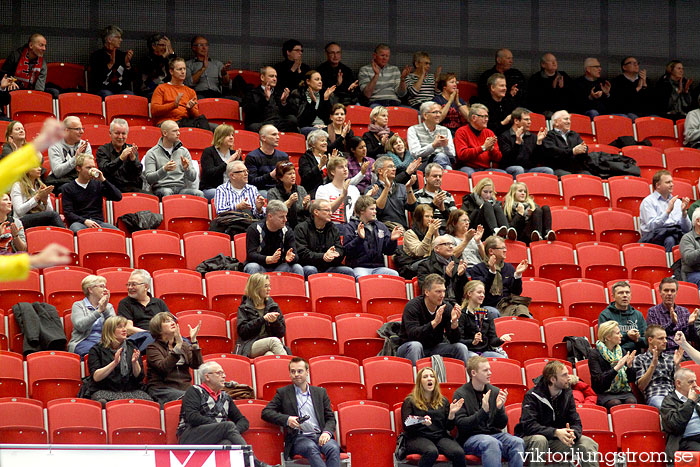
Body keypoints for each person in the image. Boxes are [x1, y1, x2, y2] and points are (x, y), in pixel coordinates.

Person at [178, 361, 275, 467]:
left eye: (223, 373)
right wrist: (221, 428)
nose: (224, 376)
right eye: (219, 373)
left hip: (215, 436)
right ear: (207, 377)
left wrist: (230, 432)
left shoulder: (225, 397)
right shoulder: (194, 391)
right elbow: (193, 417)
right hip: (190, 435)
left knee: (227, 444)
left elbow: (243, 420)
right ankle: (255, 464)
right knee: (228, 426)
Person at [514, 360, 598, 467]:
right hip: (531, 439)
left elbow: (575, 421)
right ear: (553, 379)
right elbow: (528, 426)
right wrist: (555, 432)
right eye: (564, 375)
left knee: (587, 443)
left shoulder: (567, 393)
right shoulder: (532, 396)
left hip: (556, 440)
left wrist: (573, 434)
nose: (569, 377)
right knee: (540, 440)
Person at [261, 357, 341, 467]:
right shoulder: (283, 393)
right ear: (289, 374)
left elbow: (330, 418)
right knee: (310, 448)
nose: (296, 374)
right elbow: (266, 412)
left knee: (333, 448)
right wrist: (287, 419)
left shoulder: (320, 393)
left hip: (320, 435)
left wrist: (326, 433)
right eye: (293, 371)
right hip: (299, 438)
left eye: (300, 371)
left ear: (307, 372)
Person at [453, 356, 525, 467]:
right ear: (473, 373)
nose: (490, 373)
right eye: (485, 370)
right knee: (491, 443)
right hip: (470, 438)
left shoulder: (494, 391)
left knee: (517, 442)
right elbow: (461, 424)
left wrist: (499, 409)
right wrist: (483, 412)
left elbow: (501, 424)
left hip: (493, 435)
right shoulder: (461, 394)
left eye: (490, 369)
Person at [400, 367, 466, 467]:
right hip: (416, 437)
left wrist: (451, 414)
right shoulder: (410, 401)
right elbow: (406, 423)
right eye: (425, 377)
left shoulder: (443, 401)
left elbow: (449, 427)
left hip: (439, 436)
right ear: (420, 382)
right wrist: (421, 420)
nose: (429, 379)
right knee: (431, 452)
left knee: (458, 453)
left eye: (432, 376)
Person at [397, 273, 469, 365]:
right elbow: (413, 335)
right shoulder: (413, 306)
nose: (442, 295)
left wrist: (454, 324)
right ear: (427, 292)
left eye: (444, 291)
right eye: (438, 292)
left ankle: (463, 378)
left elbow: (454, 340)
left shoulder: (446, 307)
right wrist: (434, 323)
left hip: (434, 347)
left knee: (460, 347)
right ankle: (416, 378)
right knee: (416, 346)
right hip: (409, 347)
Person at [87, 316, 152, 404]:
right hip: (104, 390)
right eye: (119, 327)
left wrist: (134, 363)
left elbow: (139, 377)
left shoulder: (132, 347)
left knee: (149, 402)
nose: (124, 329)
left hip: (130, 390)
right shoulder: (96, 350)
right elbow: (96, 377)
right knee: (101, 402)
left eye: (124, 326)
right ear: (110, 330)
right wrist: (114, 363)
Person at [145, 311, 202, 405]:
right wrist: (178, 347)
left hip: (185, 389)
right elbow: (163, 367)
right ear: (158, 328)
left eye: (173, 320)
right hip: (162, 390)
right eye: (167, 321)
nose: (172, 323)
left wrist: (194, 342)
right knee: (192, 397)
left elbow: (197, 365)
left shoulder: (183, 345)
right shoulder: (153, 348)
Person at [469, 235, 529, 318]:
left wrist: (517, 275)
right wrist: (492, 272)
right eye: (502, 248)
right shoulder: (477, 269)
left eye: (505, 248)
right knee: (494, 313)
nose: (505, 250)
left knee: (526, 315)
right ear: (491, 251)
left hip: (507, 305)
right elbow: (481, 292)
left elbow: (516, 292)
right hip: (488, 305)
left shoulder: (509, 268)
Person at [341, 195, 402, 277]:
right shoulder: (350, 227)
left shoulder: (381, 226)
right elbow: (347, 251)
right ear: (362, 210)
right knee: (363, 278)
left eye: (375, 209)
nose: (375, 212)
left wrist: (392, 240)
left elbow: (388, 251)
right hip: (359, 267)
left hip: (379, 267)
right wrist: (359, 239)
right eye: (372, 209)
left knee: (394, 275)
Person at [294, 199, 355, 279]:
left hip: (329, 266)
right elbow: (302, 254)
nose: (331, 213)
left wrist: (335, 255)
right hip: (309, 265)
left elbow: (340, 249)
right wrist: (323, 256)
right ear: (316, 212)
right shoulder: (301, 228)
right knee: (311, 270)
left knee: (348, 271)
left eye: (331, 210)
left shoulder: (333, 228)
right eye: (327, 210)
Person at [143, 120, 204, 198]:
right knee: (167, 192)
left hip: (181, 188)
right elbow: (149, 179)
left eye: (178, 130)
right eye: (175, 131)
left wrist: (187, 169)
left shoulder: (183, 151)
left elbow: (193, 178)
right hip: (162, 188)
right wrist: (164, 169)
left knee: (199, 194)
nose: (178, 133)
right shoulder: (152, 153)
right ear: (165, 133)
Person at [62, 154, 122, 232]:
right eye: (88, 168)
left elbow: (118, 197)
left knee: (117, 233)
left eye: (93, 167)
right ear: (78, 168)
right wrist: (85, 221)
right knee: (75, 229)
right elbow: (68, 213)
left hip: (98, 222)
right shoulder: (68, 188)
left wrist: (103, 180)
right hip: (79, 222)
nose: (92, 170)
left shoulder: (98, 184)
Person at [244, 199, 303, 276]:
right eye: (281, 217)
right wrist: (268, 259)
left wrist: (290, 258)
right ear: (270, 216)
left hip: (280, 268)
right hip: (260, 267)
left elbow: (295, 255)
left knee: (297, 267)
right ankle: (254, 288)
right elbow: (251, 255)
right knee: (252, 266)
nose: (285, 220)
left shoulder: (287, 231)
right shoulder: (255, 229)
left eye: (286, 216)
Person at [588, 321, 637, 410]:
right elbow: (598, 382)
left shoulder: (622, 351)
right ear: (608, 337)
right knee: (615, 403)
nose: (621, 336)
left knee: (631, 402)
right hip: (604, 392)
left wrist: (629, 367)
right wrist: (616, 368)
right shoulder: (594, 354)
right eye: (618, 333)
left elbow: (631, 379)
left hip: (623, 391)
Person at [118, 269, 171, 352]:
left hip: (160, 338)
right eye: (128, 284)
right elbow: (128, 328)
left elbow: (169, 323)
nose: (130, 287)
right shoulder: (125, 303)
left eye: (134, 284)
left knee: (185, 343)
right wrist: (152, 334)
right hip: (139, 339)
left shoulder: (159, 303)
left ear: (146, 286)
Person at [235, 273, 287, 357]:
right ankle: (291, 368)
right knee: (273, 341)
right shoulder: (244, 308)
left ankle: (286, 368)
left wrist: (274, 322)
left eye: (269, 286)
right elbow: (242, 332)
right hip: (249, 345)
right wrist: (262, 319)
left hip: (268, 345)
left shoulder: (273, 306)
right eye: (265, 286)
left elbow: (281, 333)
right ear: (256, 288)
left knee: (270, 355)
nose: (269, 289)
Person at [632, 325, 683, 408]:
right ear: (650, 340)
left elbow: (680, 382)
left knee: (693, 407)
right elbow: (641, 386)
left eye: (665, 338)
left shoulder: (670, 357)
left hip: (674, 395)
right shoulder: (640, 359)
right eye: (661, 338)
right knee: (668, 408)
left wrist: (677, 365)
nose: (665, 341)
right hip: (656, 395)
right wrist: (653, 365)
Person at [150, 58, 209, 129]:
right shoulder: (161, 88)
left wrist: (190, 108)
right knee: (201, 125)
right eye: (179, 69)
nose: (183, 72)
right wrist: (173, 105)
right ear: (171, 71)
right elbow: (154, 111)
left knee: (218, 128)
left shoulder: (190, 91)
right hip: (167, 123)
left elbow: (196, 115)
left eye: (184, 69)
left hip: (186, 122)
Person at [640, 170, 691, 251]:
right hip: (654, 238)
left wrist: (684, 213)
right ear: (658, 185)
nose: (671, 185)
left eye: (671, 182)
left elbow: (687, 229)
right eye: (668, 182)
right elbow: (652, 227)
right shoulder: (648, 202)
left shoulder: (677, 202)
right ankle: (669, 263)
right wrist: (667, 212)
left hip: (675, 235)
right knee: (670, 239)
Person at [459, 281, 512, 358]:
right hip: (469, 351)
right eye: (479, 292)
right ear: (469, 293)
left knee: (502, 358)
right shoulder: (462, 315)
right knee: (476, 359)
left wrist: (500, 339)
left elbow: (492, 340)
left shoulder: (487, 315)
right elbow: (458, 340)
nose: (482, 295)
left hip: (485, 351)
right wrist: (472, 342)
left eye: (483, 293)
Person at [647, 277, 698, 351]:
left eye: (672, 291)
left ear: (676, 293)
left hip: (684, 352)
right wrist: (672, 323)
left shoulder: (684, 311)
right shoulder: (653, 312)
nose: (669, 294)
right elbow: (655, 336)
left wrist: (691, 325)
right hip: (665, 353)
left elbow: (692, 338)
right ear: (660, 292)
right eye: (666, 290)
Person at [68, 275, 115, 357]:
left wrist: (105, 310)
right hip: (83, 341)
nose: (105, 290)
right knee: (99, 353)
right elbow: (80, 326)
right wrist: (99, 311)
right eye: (101, 286)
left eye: (105, 287)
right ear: (90, 289)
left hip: (105, 342)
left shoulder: (109, 306)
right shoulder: (78, 305)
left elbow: (114, 327)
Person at [498, 108, 553, 176]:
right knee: (519, 169)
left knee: (548, 170)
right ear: (516, 121)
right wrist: (517, 143)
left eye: (530, 119)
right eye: (526, 119)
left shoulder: (533, 137)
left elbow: (537, 160)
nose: (529, 122)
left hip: (528, 169)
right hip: (511, 168)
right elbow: (508, 160)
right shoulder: (505, 136)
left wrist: (539, 143)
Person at [661, 367, 700, 463]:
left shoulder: (698, 397)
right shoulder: (668, 401)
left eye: (695, 381)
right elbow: (675, 425)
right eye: (690, 382)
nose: (695, 385)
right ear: (678, 383)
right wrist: (690, 402)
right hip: (685, 441)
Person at [454, 104, 505, 176]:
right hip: (468, 167)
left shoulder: (489, 133)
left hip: (486, 169)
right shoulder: (461, 132)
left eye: (487, 116)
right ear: (474, 117)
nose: (487, 119)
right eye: (483, 116)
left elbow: (498, 158)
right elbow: (462, 155)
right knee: (470, 173)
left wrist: (492, 149)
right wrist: (483, 148)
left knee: (503, 174)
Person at [416, 235, 469, 305]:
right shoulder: (425, 266)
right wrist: (446, 276)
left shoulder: (458, 263)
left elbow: (466, 289)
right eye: (446, 244)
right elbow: (425, 289)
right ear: (436, 248)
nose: (451, 246)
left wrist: (461, 276)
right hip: (437, 303)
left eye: (452, 244)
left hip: (458, 302)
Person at [242, 66, 296, 133]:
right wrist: (265, 99)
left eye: (275, 76)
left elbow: (289, 113)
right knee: (253, 127)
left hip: (278, 124)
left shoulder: (280, 93)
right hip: (262, 124)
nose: (274, 79)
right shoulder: (251, 93)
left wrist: (283, 102)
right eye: (271, 76)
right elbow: (250, 113)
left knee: (292, 119)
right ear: (262, 77)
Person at [598, 281, 647, 353]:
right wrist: (627, 336)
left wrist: (637, 339)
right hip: (614, 356)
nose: (625, 295)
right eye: (620, 293)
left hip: (636, 357)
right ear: (613, 297)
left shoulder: (638, 315)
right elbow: (603, 340)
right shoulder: (606, 315)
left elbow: (647, 341)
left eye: (627, 292)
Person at [96, 118, 143, 193]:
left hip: (131, 188)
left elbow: (138, 173)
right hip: (111, 190)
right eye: (117, 133)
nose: (120, 137)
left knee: (152, 198)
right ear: (110, 133)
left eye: (123, 133)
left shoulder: (131, 149)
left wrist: (133, 159)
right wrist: (121, 158)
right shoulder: (102, 150)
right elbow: (104, 171)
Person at [88, 25, 135, 98]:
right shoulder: (97, 56)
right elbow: (96, 78)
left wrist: (127, 64)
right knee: (108, 95)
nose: (121, 40)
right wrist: (111, 64)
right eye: (118, 37)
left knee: (129, 95)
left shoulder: (122, 55)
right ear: (109, 39)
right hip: (103, 89)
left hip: (120, 90)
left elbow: (131, 78)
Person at [47, 116, 93, 190]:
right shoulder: (54, 146)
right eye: (78, 129)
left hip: (81, 180)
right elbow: (57, 172)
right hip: (62, 182)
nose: (82, 132)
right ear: (66, 130)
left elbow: (89, 169)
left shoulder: (84, 145)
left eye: (82, 128)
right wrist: (75, 158)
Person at [370, 156, 416, 229]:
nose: (394, 169)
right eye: (390, 167)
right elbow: (378, 210)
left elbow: (412, 207)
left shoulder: (402, 187)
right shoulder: (372, 189)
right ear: (380, 171)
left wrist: (409, 187)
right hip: (381, 229)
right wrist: (387, 187)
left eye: (394, 166)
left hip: (401, 229)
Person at [407, 101, 455, 169]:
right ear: (425, 115)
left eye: (440, 112)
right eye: (435, 112)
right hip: (423, 164)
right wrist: (433, 146)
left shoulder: (446, 130)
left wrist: (445, 146)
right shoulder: (413, 130)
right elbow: (415, 153)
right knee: (447, 168)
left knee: (441, 157)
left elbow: (452, 154)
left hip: (442, 160)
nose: (438, 115)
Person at [286, 70, 336, 136]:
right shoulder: (298, 94)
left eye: (321, 79)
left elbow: (328, 117)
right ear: (308, 81)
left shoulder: (326, 94)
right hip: (307, 127)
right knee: (319, 133)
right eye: (317, 79)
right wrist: (313, 102)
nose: (320, 82)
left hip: (324, 126)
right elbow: (300, 120)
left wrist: (325, 100)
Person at [542, 110, 590, 177]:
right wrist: (572, 151)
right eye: (566, 119)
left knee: (588, 176)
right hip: (558, 168)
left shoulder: (574, 134)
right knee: (568, 176)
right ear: (556, 122)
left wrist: (583, 149)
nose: (569, 122)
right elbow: (554, 152)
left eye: (569, 119)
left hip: (576, 169)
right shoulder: (548, 136)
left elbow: (584, 148)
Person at [244, 124, 290, 195]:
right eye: (274, 135)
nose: (278, 137)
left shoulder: (283, 156)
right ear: (263, 138)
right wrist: (270, 176)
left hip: (280, 189)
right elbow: (252, 182)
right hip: (262, 190)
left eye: (278, 134)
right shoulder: (252, 157)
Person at [199, 124, 241, 200]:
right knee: (222, 194)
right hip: (211, 188)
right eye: (228, 135)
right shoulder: (209, 152)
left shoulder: (234, 154)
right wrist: (227, 162)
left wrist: (238, 164)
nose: (231, 137)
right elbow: (209, 174)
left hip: (232, 188)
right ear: (219, 137)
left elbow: (241, 177)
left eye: (232, 135)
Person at [315, 156, 360, 225]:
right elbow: (325, 211)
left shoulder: (354, 189)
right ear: (332, 172)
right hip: (331, 228)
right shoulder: (323, 189)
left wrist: (368, 196)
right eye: (341, 167)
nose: (345, 169)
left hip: (351, 227)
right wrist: (342, 196)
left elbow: (358, 212)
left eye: (346, 166)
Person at [526, 53, 573, 117]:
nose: (554, 63)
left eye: (555, 60)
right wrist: (552, 88)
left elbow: (570, 98)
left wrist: (561, 88)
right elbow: (537, 101)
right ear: (543, 64)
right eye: (551, 61)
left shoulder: (563, 76)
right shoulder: (536, 79)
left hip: (562, 110)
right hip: (544, 112)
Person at [268, 161, 310, 228]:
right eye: (289, 174)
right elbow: (273, 213)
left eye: (294, 173)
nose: (293, 176)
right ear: (281, 177)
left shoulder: (301, 189)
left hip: (301, 225)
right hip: (282, 226)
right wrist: (289, 202)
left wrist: (306, 206)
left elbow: (307, 213)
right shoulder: (272, 193)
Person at [316, 42, 359, 107]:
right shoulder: (320, 70)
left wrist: (351, 89)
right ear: (326, 54)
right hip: (329, 101)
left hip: (346, 100)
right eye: (332, 53)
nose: (335, 56)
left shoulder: (346, 70)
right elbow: (322, 90)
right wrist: (337, 84)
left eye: (338, 52)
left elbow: (352, 89)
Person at [138, 33, 175, 98]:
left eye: (166, 45)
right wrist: (162, 58)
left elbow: (177, 68)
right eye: (162, 45)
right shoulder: (146, 60)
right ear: (154, 46)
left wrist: (171, 52)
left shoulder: (167, 59)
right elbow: (154, 73)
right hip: (150, 90)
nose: (165, 48)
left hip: (167, 89)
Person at [298, 129, 332, 197]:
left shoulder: (329, 157)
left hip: (329, 191)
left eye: (325, 140)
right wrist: (320, 166)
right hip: (312, 192)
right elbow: (306, 177)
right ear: (313, 144)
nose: (325, 143)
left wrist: (333, 164)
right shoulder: (305, 158)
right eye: (322, 141)